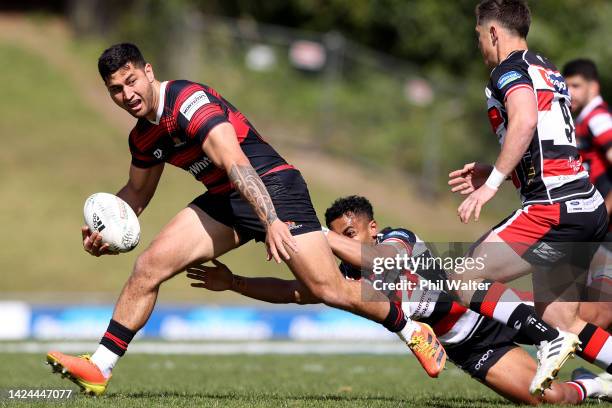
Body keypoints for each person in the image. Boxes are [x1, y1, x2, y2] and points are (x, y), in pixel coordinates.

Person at [45, 43, 445, 396]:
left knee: (327, 289)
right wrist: (105, 228)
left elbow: (235, 161)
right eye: (116, 89)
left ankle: (410, 328)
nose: (127, 94)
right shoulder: (144, 137)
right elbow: (136, 193)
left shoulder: (187, 101)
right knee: (149, 266)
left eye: (132, 80)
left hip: (273, 187)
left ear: (148, 72)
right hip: (226, 199)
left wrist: (270, 220)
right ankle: (101, 365)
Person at [187, 195, 612, 404]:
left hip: (489, 307)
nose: (340, 242)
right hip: (469, 346)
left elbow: (382, 261)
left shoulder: (397, 240)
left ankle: (583, 347)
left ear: (373, 228)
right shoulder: (348, 275)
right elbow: (298, 292)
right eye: (336, 234)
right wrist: (236, 282)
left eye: (348, 234)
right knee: (547, 400)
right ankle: (595, 385)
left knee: (563, 326)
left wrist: (317, 236)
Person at [445, 0, 611, 395]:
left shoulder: (509, 69)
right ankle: (554, 337)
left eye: (478, 37)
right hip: (584, 205)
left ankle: (543, 341)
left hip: (551, 210)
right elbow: (544, 138)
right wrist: (499, 169)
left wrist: (492, 184)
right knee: (564, 321)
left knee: (462, 276)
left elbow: (525, 119)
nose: (480, 47)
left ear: (492, 33)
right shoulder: (547, 67)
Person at [562, 58, 612, 331]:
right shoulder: (582, 120)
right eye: (566, 84)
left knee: (597, 313)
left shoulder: (598, 118)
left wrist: (602, 213)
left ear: (594, 87)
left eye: (576, 85)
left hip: (607, 232)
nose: (569, 91)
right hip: (600, 233)